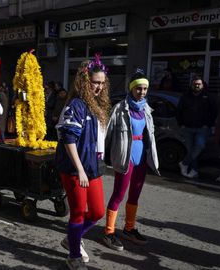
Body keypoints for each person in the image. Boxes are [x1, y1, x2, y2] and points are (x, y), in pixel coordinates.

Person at [55, 55, 110, 270]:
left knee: (97, 212)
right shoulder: (76, 105)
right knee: (78, 212)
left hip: (92, 166)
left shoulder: (96, 105)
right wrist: (80, 170)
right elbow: (68, 139)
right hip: (75, 168)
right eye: (95, 82)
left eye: (102, 82)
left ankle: (72, 238)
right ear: (86, 82)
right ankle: (74, 254)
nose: (99, 86)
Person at [102, 69, 160, 251]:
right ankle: (109, 232)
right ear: (131, 88)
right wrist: (104, 157)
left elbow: (149, 135)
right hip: (125, 158)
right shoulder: (119, 108)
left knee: (135, 195)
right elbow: (108, 134)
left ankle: (129, 228)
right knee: (119, 194)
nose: (141, 92)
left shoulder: (146, 109)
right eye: (138, 88)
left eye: (144, 89)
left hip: (141, 158)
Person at [176, 76, 217, 178]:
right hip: (187, 128)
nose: (197, 86)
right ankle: (194, 171)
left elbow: (213, 112)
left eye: (199, 84)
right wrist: (181, 124)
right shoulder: (185, 96)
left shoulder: (208, 97)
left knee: (199, 146)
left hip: (201, 128)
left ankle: (184, 163)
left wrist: (208, 124)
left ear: (202, 85)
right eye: (195, 84)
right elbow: (179, 111)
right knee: (191, 151)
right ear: (191, 85)